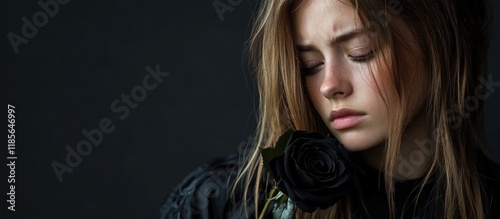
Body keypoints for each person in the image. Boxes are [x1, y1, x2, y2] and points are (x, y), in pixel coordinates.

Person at [161, 0, 500, 218]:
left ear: (439, 46)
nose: (329, 85)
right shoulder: (222, 202)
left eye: (360, 52)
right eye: (310, 65)